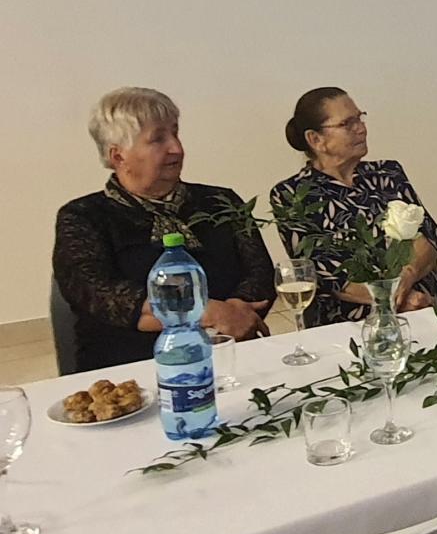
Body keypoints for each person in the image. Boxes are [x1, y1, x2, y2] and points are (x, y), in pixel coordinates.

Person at [53, 88, 275, 373]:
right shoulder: (82, 217)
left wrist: (234, 313)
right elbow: (102, 295)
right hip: (132, 369)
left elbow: (260, 272)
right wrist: (207, 313)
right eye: (158, 139)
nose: (177, 148)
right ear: (118, 156)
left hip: (233, 353)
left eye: (175, 133)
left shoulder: (221, 201)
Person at [270, 88, 437, 325]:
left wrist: (407, 276)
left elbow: (428, 235)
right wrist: (393, 299)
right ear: (315, 139)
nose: (361, 128)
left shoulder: (387, 173)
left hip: (427, 302)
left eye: (360, 118)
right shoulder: (292, 195)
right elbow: (328, 274)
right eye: (347, 123)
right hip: (353, 321)